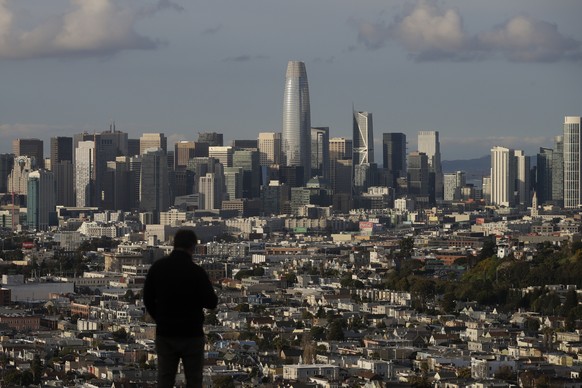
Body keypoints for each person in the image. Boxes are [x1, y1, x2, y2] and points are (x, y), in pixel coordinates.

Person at [143, 229, 218, 388]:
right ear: (193, 247)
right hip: (191, 333)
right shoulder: (197, 272)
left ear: (173, 245)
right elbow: (211, 302)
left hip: (166, 333)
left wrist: (161, 318)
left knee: (165, 378)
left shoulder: (158, 268)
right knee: (194, 379)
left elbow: (147, 298)